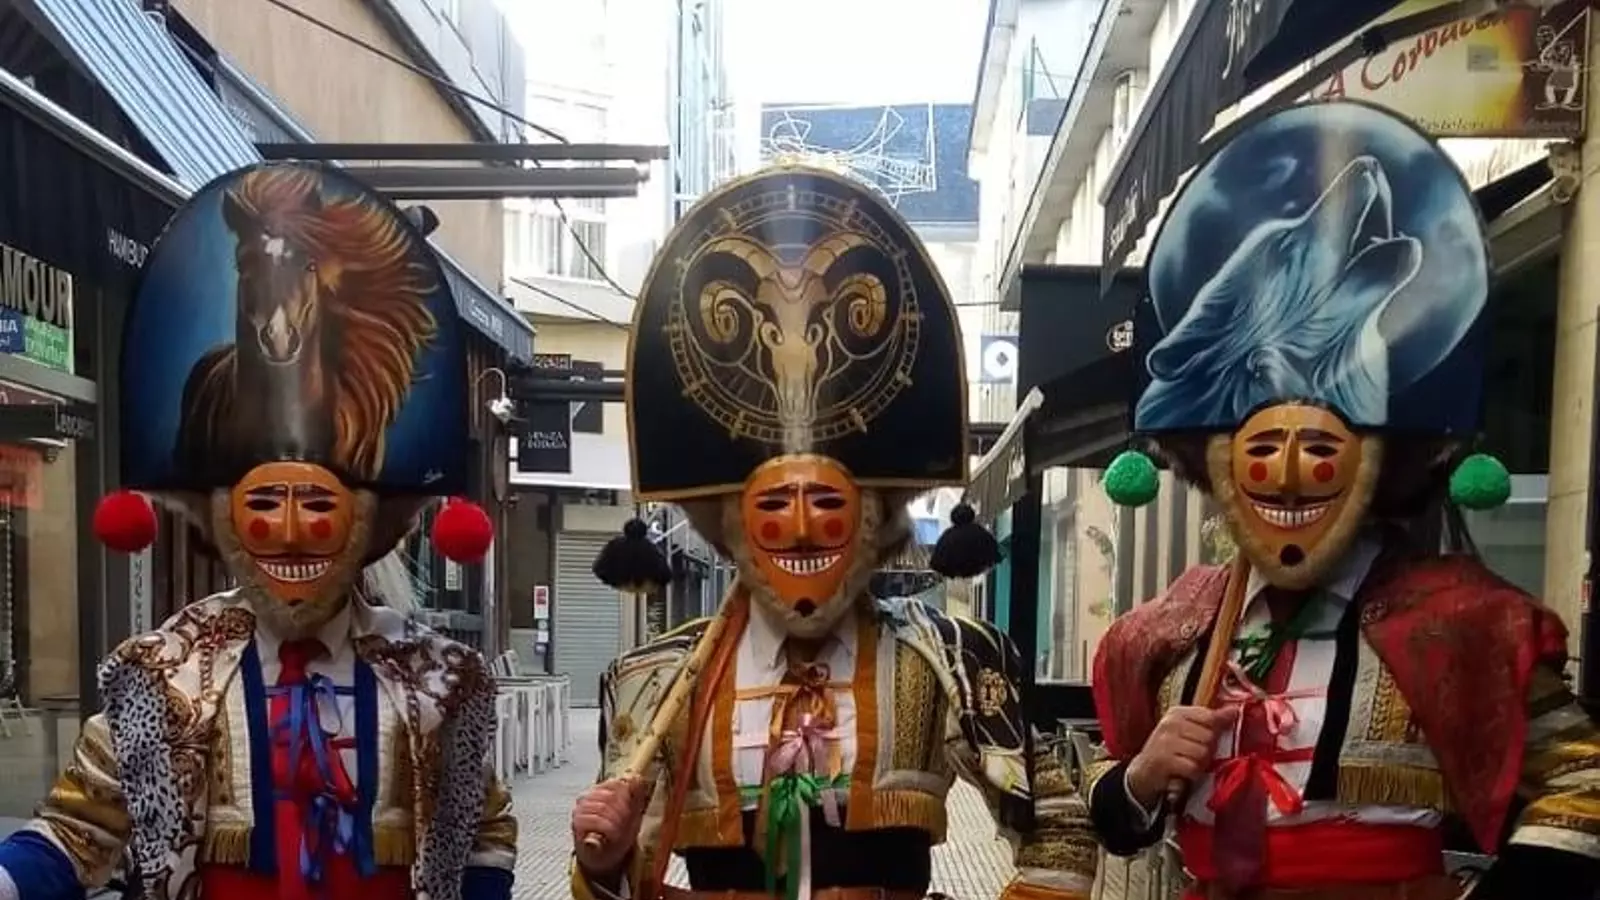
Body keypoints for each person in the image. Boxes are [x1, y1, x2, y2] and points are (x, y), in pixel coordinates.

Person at [1085, 100, 1600, 899]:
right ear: (1215, 462)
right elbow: (1110, 805)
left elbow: (1583, 785)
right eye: (1261, 451)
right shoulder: (1169, 631)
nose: (1289, 476)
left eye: (1323, 450)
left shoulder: (1463, 620)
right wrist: (1143, 776)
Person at [567, 165, 1101, 900]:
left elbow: (1062, 829)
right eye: (773, 506)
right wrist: (601, 863)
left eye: (826, 501)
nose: (800, 528)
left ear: (874, 520)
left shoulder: (943, 658)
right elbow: (618, 878)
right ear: (732, 526)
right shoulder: (653, 680)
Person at [0, 162, 513, 900]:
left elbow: (481, 831)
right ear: (225, 520)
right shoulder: (165, 674)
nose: (292, 532)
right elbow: (79, 829)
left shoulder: (436, 678)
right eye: (265, 505)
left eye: (320, 507)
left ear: (366, 522)